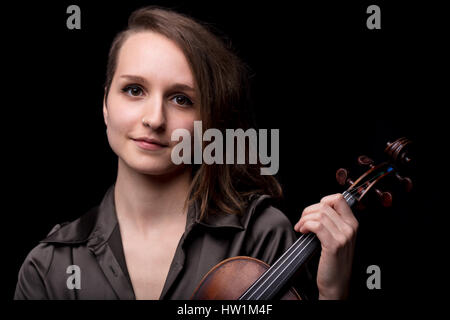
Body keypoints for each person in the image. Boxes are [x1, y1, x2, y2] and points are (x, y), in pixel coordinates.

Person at [14, 6, 358, 300]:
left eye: (182, 99)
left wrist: (331, 294)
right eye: (134, 90)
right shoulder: (49, 266)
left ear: (207, 121)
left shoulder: (260, 235)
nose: (154, 119)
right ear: (106, 104)